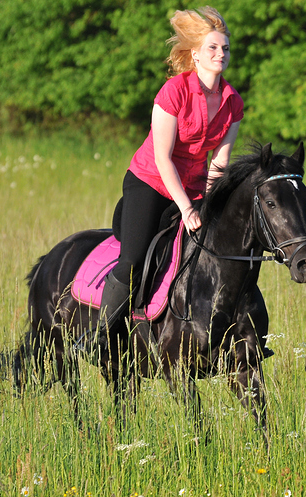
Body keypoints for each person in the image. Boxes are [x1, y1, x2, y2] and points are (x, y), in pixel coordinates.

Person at [97, 6, 243, 347]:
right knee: (133, 258)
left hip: (193, 187)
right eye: (212, 48)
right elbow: (162, 158)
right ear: (195, 53)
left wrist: (209, 205)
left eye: (225, 48)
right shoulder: (174, 92)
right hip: (150, 181)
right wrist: (188, 209)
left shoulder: (232, 102)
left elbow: (219, 163)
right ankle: (101, 334)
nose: (221, 54)